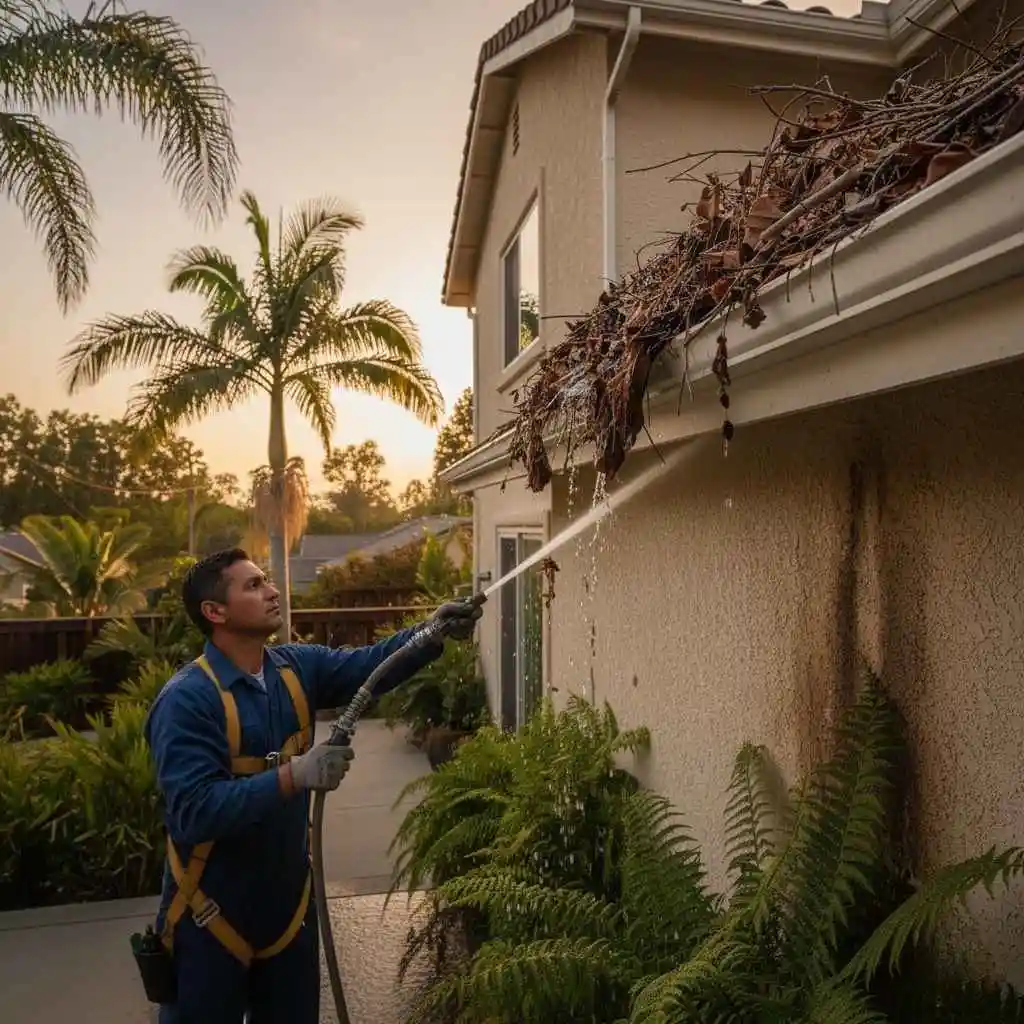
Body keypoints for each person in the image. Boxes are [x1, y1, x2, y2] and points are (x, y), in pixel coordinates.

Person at [143, 547, 482, 1024]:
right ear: (215, 612)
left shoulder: (295, 669)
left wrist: (430, 633)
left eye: (266, 580)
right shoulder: (187, 701)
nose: (272, 591)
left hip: (288, 912)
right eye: (253, 585)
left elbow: (370, 665)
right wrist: (294, 775)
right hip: (208, 917)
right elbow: (194, 812)